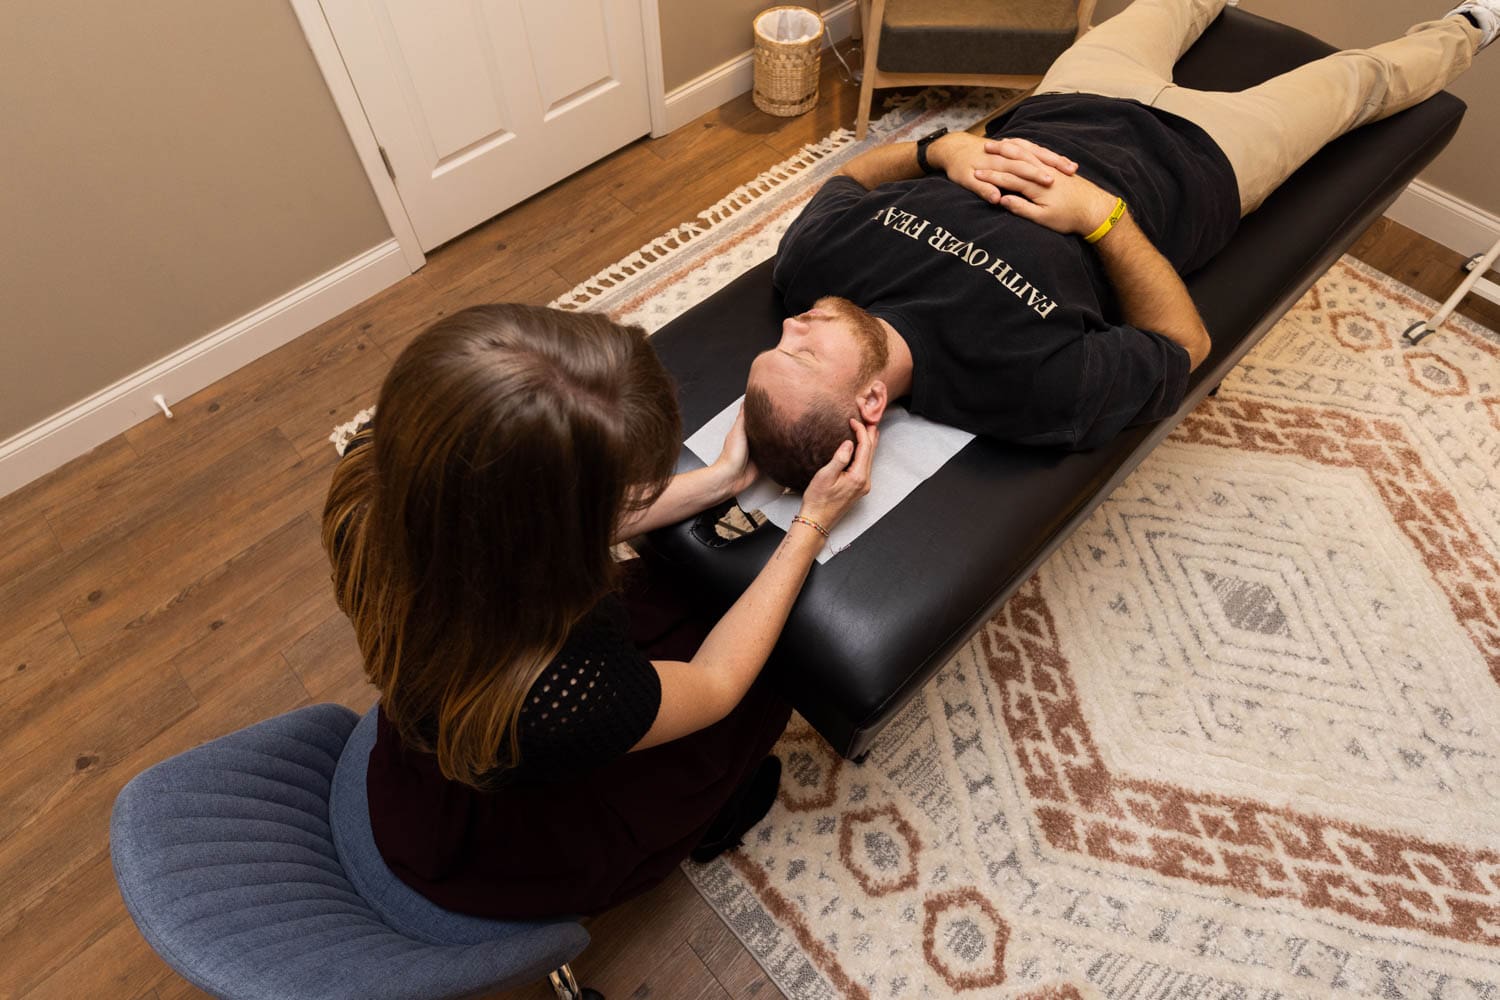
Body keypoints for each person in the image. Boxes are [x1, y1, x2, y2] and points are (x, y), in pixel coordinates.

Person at [743, 0, 1496, 490]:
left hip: (1072, 100)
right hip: (1203, 165)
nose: (795, 322)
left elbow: (850, 176)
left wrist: (940, 152)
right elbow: (1184, 343)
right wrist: (1103, 220)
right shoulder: (1029, 392)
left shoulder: (813, 267)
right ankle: (1472, 24)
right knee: (1357, 79)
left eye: (778, 340)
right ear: (871, 402)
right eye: (804, 353)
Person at [321, 304, 877, 918]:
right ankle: (710, 821)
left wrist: (721, 479)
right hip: (510, 837)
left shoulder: (377, 478)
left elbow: (546, 514)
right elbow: (717, 685)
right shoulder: (554, 692)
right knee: (769, 674)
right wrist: (812, 523)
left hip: (457, 717)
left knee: (670, 597)